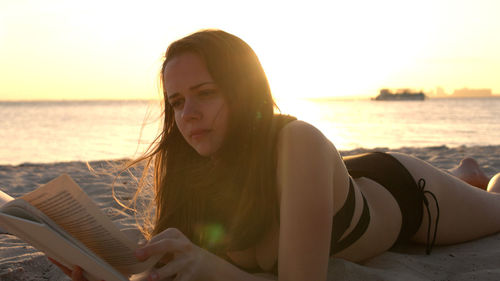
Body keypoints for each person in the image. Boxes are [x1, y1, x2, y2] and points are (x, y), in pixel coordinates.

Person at [53, 29, 500, 281]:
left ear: (244, 90)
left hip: (404, 194)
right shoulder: (190, 163)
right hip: (325, 186)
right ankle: (465, 172)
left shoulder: (297, 140)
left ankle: (471, 176)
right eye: (176, 102)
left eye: (204, 93)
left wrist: (210, 268)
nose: (188, 115)